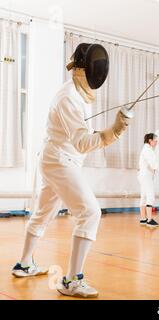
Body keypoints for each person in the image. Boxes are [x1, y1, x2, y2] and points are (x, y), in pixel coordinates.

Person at [12, 43, 131, 298]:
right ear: (81, 69)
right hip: (59, 161)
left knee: (43, 213)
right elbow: (82, 142)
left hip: (57, 158)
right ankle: (71, 280)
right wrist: (114, 132)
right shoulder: (69, 98)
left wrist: (111, 130)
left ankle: (24, 264)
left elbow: (78, 140)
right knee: (90, 212)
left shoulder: (77, 93)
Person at [138, 133, 159, 228]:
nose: (157, 142)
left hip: (144, 175)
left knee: (144, 197)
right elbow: (154, 165)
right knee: (150, 196)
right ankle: (149, 220)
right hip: (146, 176)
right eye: (155, 140)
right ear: (150, 140)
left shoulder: (146, 149)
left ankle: (143, 219)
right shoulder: (148, 150)